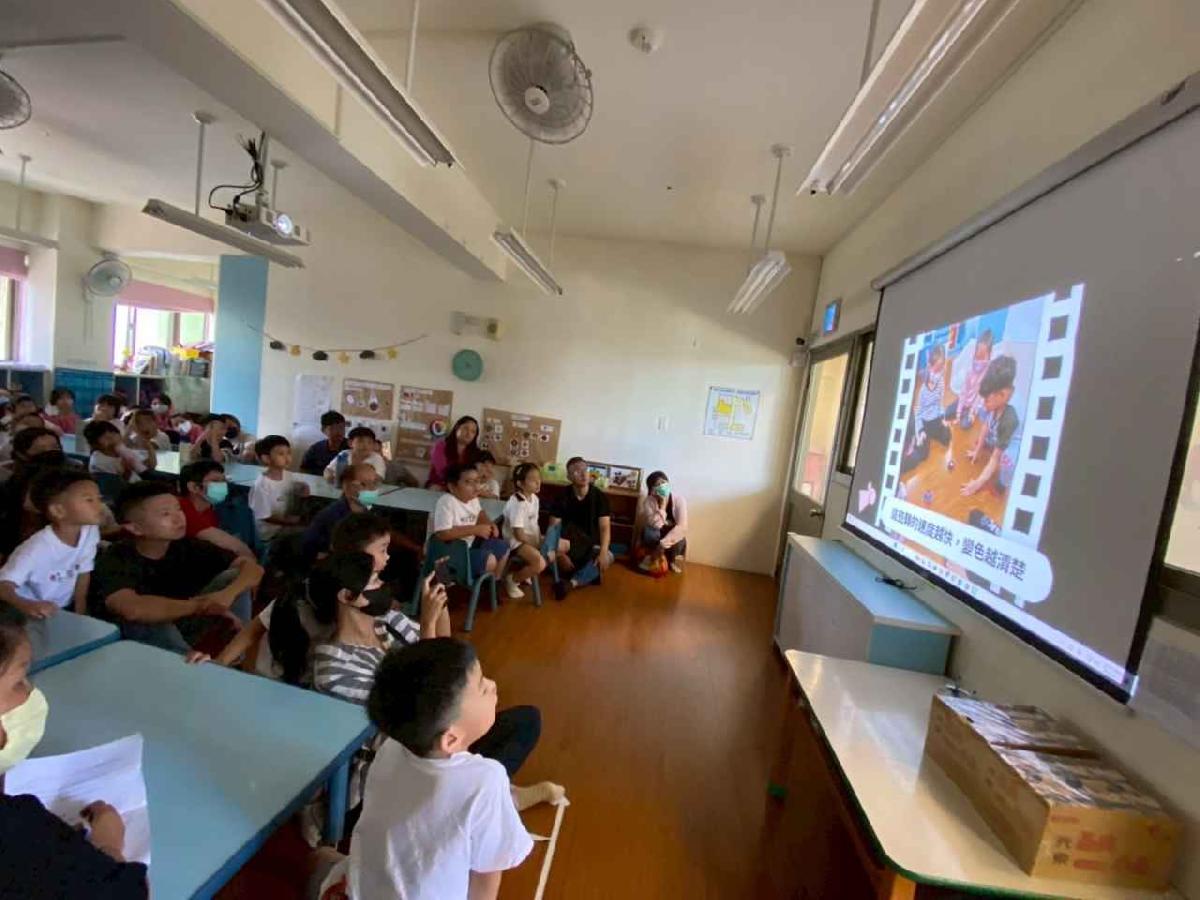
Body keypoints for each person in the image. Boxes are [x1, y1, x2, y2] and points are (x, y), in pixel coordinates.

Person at [339, 639, 547, 900]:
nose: (492, 684)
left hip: (361, 891)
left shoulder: (391, 747)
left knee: (321, 858)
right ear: (451, 739)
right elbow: (486, 877)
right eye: (482, 688)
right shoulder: (486, 779)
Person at [0, 605, 149, 897]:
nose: (29, 691)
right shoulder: (19, 829)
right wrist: (108, 846)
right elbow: (125, 892)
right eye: (18, 682)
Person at [90, 482, 263, 653]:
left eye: (178, 509)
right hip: (134, 639)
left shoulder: (189, 546)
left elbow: (253, 568)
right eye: (165, 514)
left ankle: (235, 652)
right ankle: (186, 664)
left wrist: (227, 595)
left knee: (236, 576)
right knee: (147, 616)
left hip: (185, 621)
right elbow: (130, 609)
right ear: (135, 528)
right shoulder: (117, 557)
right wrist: (201, 605)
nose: (179, 518)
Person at [0, 470, 103, 618]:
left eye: (99, 498)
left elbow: (83, 572)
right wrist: (26, 606)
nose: (100, 506)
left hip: (61, 610)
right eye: (89, 500)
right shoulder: (35, 549)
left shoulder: (90, 531)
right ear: (58, 510)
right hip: (27, 613)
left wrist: (80, 615)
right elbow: (3, 585)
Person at [430, 463, 509, 584]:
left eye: (477, 481)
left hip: (466, 549)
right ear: (452, 487)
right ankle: (467, 583)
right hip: (445, 556)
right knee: (490, 560)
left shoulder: (472, 499)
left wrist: (490, 524)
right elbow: (443, 534)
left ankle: (493, 584)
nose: (476, 486)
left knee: (503, 547)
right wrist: (475, 529)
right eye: (469, 482)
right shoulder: (447, 502)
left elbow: (480, 513)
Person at [549, 456, 613, 600]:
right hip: (566, 546)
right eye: (577, 471)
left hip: (590, 546)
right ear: (569, 477)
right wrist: (560, 555)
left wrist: (603, 552)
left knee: (608, 556)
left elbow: (605, 528)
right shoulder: (561, 497)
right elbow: (553, 528)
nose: (583, 474)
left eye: (585, 469)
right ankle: (587, 574)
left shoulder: (600, 497)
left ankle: (571, 584)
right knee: (548, 553)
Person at [0, 428, 69, 558]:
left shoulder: (71, 479)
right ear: (22, 454)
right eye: (41, 450)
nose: (50, 453)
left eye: (55, 447)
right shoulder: (8, 488)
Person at [961, 355, 1020, 498]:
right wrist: (977, 450)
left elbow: (994, 459)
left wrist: (978, 483)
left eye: (987, 400)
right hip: (998, 434)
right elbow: (985, 426)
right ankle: (991, 445)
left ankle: (1001, 485)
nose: (984, 403)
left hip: (1009, 447)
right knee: (983, 422)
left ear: (1003, 395)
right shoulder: (995, 404)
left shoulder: (1009, 420)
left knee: (1007, 461)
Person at [301, 463, 381, 562]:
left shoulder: (370, 513)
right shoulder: (332, 516)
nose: (372, 488)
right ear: (347, 485)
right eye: (363, 484)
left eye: (374, 483)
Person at [177, 461, 255, 558]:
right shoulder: (181, 509)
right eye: (215, 481)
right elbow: (236, 547)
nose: (223, 485)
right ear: (194, 487)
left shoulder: (209, 511)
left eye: (224, 481)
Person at [501, 462, 549, 600]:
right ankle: (512, 579)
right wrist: (537, 543)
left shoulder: (534, 499)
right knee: (540, 563)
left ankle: (527, 572)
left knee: (559, 546)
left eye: (539, 478)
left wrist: (540, 539)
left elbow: (534, 524)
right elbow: (519, 534)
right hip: (516, 542)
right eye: (533, 479)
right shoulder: (518, 503)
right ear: (520, 484)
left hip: (529, 538)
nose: (538, 482)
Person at [900, 344, 951, 475]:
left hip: (936, 420)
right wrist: (920, 431)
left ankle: (933, 434)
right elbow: (917, 413)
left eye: (941, 369)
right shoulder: (922, 391)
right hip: (925, 423)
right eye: (936, 369)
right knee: (923, 454)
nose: (938, 373)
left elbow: (940, 403)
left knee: (947, 438)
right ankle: (920, 439)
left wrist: (943, 419)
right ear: (929, 366)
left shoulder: (941, 383)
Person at [248, 435, 308, 541]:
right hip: (271, 533)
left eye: (288, 453)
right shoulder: (262, 485)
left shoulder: (288, 475)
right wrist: (291, 522)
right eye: (281, 454)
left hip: (285, 523)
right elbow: (265, 516)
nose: (287, 457)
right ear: (266, 458)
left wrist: (302, 488)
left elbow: (295, 487)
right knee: (309, 533)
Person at [637, 471, 688, 574]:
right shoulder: (648, 501)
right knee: (649, 532)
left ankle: (670, 561)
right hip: (656, 532)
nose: (661, 486)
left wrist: (662, 545)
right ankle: (654, 558)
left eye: (663, 483)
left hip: (671, 532)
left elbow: (682, 526)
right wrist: (663, 505)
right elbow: (656, 525)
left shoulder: (679, 500)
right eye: (657, 484)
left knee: (680, 540)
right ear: (652, 489)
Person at [426, 415, 481, 491]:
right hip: (440, 484)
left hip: (464, 488)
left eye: (473, 432)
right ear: (457, 427)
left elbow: (476, 474)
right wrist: (458, 487)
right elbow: (443, 472)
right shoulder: (440, 446)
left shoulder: (476, 452)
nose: (469, 433)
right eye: (466, 428)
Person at [300, 410, 348, 475]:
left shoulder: (351, 447)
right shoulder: (315, 449)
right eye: (334, 428)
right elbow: (303, 469)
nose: (339, 432)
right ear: (323, 430)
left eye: (341, 427)